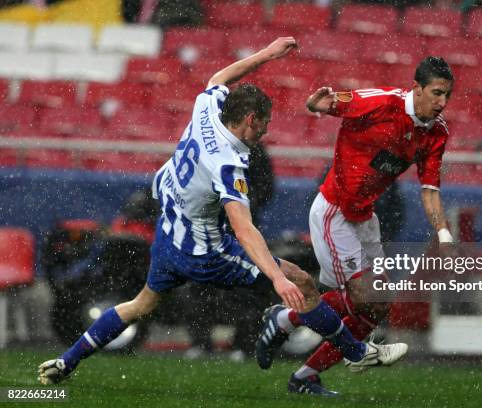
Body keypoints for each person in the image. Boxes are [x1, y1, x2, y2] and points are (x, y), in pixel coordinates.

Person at [37, 37, 408, 385]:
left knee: (140, 304)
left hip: (169, 233)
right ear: (250, 120)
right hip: (205, 253)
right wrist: (278, 280)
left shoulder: (208, 108)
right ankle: (358, 352)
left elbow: (219, 77)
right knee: (303, 284)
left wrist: (268, 53)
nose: (265, 131)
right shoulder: (228, 164)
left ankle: (66, 361)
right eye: (264, 124)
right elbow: (244, 229)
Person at [255, 56, 454, 395]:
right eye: (436, 93)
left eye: (447, 95)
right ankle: (288, 322)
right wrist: (316, 103)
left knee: (376, 306)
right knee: (362, 297)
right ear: (417, 88)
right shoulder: (379, 102)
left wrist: (444, 234)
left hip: (365, 217)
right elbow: (329, 102)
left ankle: (303, 374)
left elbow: (430, 189)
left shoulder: (435, 134)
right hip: (334, 212)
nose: (442, 102)